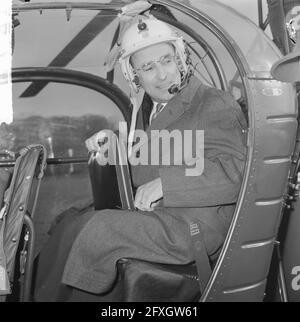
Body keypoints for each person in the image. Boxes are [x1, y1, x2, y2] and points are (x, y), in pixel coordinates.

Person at [33, 14, 247, 302]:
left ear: (181, 59)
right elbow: (153, 163)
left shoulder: (212, 103)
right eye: (148, 67)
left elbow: (235, 172)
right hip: (165, 216)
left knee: (98, 230)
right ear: (135, 76)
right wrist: (111, 148)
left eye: (167, 60)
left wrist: (166, 186)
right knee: (70, 218)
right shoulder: (155, 109)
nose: (162, 75)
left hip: (195, 226)